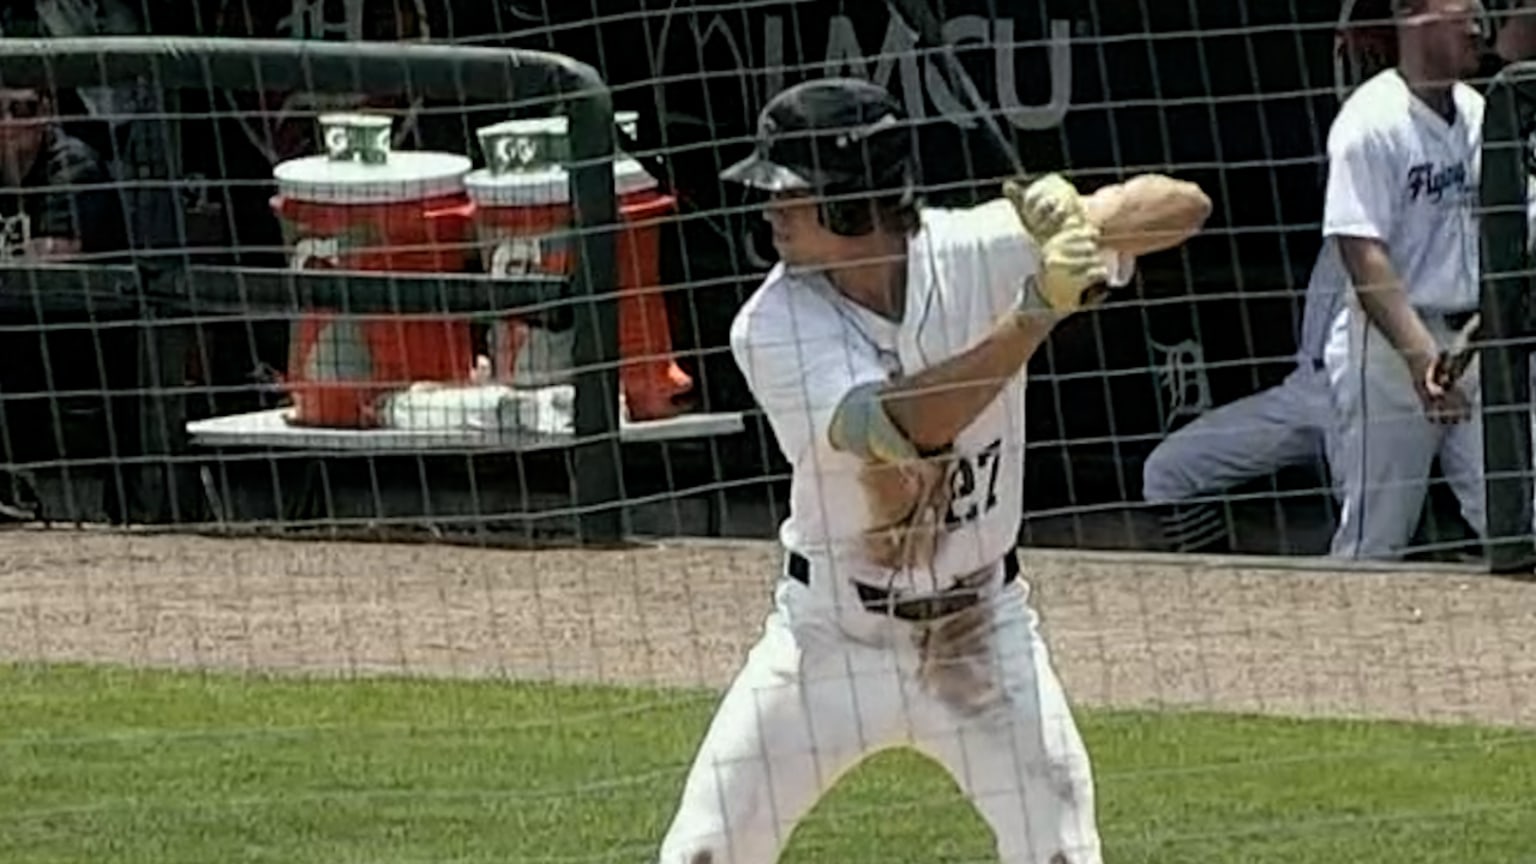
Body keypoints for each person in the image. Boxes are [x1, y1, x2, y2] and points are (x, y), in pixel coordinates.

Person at [653, 77, 1210, 864]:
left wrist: (1083, 216)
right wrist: (1036, 310)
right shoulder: (772, 323)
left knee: (1062, 850)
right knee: (702, 853)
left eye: (793, 192)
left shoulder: (974, 247)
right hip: (831, 641)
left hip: (981, 634)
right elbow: (905, 425)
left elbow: (1185, 206)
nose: (770, 208)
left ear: (855, 201)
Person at [1322, 0, 1488, 560]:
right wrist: (1422, 360)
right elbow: (1362, 252)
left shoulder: (1482, 113)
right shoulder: (1369, 121)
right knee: (1376, 541)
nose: (1478, 22)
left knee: (1514, 519)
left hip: (1479, 343)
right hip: (1390, 356)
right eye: (1463, 7)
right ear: (1415, 14)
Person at [1140, 250, 1344, 553]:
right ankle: (1218, 589)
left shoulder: (1415, 219)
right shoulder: (1339, 223)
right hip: (1306, 386)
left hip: (1374, 391)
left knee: (1369, 536)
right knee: (1166, 472)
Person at [0, 85, 121, 260]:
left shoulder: (75, 167)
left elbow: (49, 260)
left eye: (23, 110)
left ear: (45, 111)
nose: (8, 124)